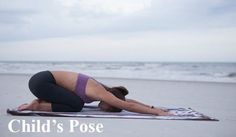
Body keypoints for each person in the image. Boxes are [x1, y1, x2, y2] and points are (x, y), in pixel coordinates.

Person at [12, 68, 170, 116]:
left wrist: (151, 107)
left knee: (73, 100)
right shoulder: (101, 93)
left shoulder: (105, 90)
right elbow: (127, 106)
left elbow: (128, 101)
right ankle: (37, 106)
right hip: (42, 83)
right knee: (76, 104)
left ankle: (43, 103)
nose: (105, 109)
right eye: (110, 108)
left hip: (42, 81)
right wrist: (158, 113)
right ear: (110, 99)